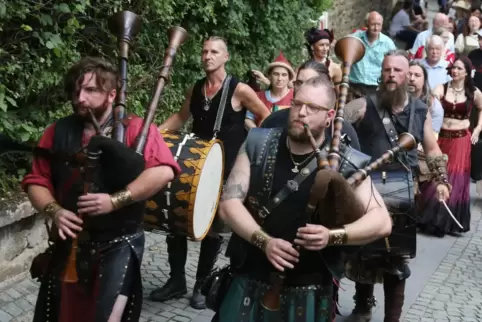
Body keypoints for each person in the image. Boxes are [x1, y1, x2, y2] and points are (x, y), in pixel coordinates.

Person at [213, 75, 393, 322]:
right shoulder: (257, 142)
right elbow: (229, 203)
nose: (301, 112)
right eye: (297, 104)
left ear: (329, 117)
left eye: (313, 108)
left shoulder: (349, 162)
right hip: (249, 274)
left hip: (310, 286)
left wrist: (332, 235)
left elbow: (382, 221)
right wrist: (265, 242)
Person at [21, 57, 181, 322]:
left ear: (112, 94)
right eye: (76, 91)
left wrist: (116, 200)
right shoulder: (57, 131)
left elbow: (163, 171)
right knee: (62, 315)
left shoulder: (137, 129)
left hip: (118, 243)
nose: (80, 98)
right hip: (69, 244)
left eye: (90, 90)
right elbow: (37, 181)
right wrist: (55, 211)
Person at [151, 36, 269, 309]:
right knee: (176, 218)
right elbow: (181, 118)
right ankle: (176, 281)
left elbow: (266, 116)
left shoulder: (239, 89)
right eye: (204, 51)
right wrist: (152, 134)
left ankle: (202, 285)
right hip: (194, 164)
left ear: (225, 57)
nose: (208, 56)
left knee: (213, 227)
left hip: (225, 167)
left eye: (214, 52)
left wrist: (252, 149)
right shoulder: (196, 88)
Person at [343, 50, 451, 322]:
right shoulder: (364, 105)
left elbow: (432, 147)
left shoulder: (420, 110)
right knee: (364, 250)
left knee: (397, 257)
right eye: (387, 70)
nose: (391, 75)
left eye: (398, 71)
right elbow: (337, 128)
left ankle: (393, 318)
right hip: (367, 190)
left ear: (408, 76)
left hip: (404, 193)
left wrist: (442, 181)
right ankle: (363, 306)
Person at [418, 56, 482, 236]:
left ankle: (445, 222)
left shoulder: (474, 92)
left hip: (461, 140)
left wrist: (477, 129)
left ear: (467, 72)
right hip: (443, 138)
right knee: (437, 173)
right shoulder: (442, 87)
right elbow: (431, 102)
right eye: (453, 68)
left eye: (459, 69)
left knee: (454, 177)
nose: (455, 71)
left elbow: (481, 108)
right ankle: (431, 218)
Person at [261, 60, 361, 151]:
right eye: (299, 83)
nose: (302, 89)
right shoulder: (273, 120)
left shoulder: (342, 129)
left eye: (311, 83)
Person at [348, 11, 396, 101]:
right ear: (366, 24)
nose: (376, 28)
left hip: (376, 88)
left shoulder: (388, 44)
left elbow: (392, 66)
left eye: (379, 25)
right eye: (373, 24)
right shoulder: (355, 38)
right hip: (355, 86)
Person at [246, 52, 295, 129]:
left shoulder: (296, 97)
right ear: (269, 76)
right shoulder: (257, 97)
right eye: (276, 74)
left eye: (284, 75)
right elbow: (248, 119)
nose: (279, 78)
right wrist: (257, 133)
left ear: (289, 78)